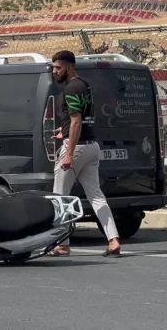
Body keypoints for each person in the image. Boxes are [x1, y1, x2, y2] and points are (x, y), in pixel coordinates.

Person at [48, 50, 121, 258]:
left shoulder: (70, 88)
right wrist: (63, 129)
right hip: (91, 146)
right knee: (96, 195)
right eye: (54, 67)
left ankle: (62, 244)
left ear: (69, 67)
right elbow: (82, 118)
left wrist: (68, 152)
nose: (55, 71)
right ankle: (113, 239)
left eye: (58, 68)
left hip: (76, 147)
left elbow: (77, 120)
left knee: (60, 197)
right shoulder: (84, 85)